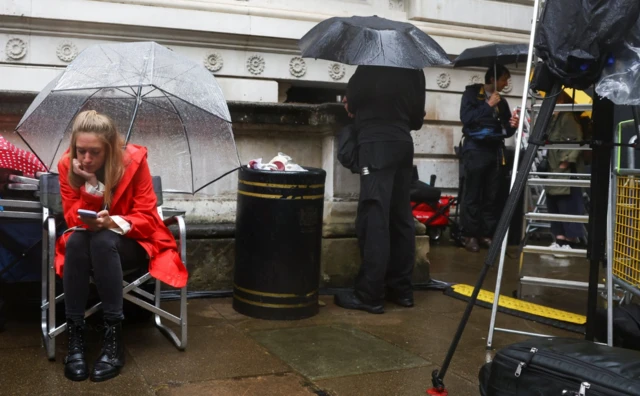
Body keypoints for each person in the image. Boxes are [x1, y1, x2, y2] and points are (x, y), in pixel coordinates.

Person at [56, 110, 187, 382]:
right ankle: (76, 335)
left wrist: (113, 221)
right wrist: (90, 186)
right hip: (86, 245)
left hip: (134, 242)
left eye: (95, 152)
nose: (86, 159)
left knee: (103, 240)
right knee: (79, 239)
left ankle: (113, 336)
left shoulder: (134, 163)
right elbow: (71, 219)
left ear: (111, 149)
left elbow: (148, 219)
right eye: (81, 151)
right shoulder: (68, 166)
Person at [334, 66, 426, 314]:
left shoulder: (368, 66)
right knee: (401, 218)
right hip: (403, 143)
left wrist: (351, 103)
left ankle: (370, 294)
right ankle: (402, 290)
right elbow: (417, 118)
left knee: (374, 216)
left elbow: (351, 105)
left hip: (376, 144)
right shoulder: (414, 70)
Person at [459, 65, 519, 253]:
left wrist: (513, 126)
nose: (506, 84)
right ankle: (469, 235)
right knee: (473, 194)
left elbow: (506, 130)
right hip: (475, 150)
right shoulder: (471, 95)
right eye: (504, 79)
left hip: (494, 153)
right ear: (493, 79)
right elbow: (466, 118)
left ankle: (486, 234)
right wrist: (487, 106)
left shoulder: (502, 102)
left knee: (491, 195)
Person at [544, 91, 586, 257]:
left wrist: (564, 164)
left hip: (564, 170)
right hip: (556, 168)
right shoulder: (558, 116)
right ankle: (559, 240)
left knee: (566, 204)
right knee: (555, 202)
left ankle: (567, 240)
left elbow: (573, 140)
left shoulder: (568, 116)